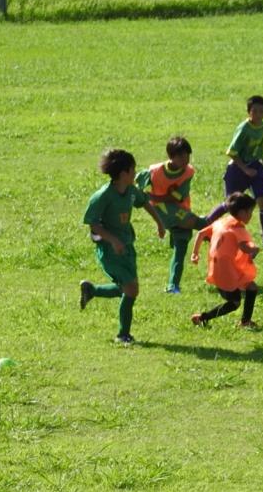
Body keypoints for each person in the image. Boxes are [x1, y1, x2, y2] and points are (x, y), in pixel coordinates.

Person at [80, 148, 166, 345]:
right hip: (110, 251)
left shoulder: (130, 191)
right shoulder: (103, 196)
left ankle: (92, 291)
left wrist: (159, 223)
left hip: (127, 247)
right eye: (133, 169)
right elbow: (93, 224)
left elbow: (145, 202)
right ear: (123, 174)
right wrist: (113, 240)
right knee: (131, 289)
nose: (135, 172)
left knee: (127, 289)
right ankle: (123, 335)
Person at [136, 136, 228, 295]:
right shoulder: (154, 171)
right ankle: (227, 207)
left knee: (180, 248)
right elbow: (141, 187)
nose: (185, 160)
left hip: (180, 209)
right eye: (181, 156)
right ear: (171, 156)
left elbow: (177, 196)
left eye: (187, 156)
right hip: (164, 212)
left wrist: (155, 198)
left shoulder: (188, 172)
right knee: (203, 223)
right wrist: (150, 196)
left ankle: (173, 285)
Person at [190, 192, 260, 329]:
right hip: (226, 270)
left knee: (252, 288)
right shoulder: (237, 228)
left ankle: (245, 321)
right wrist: (254, 248)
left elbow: (201, 233)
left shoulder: (221, 222)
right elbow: (245, 247)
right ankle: (202, 317)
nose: (251, 215)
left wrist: (194, 253)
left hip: (221, 267)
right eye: (250, 212)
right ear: (241, 212)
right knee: (234, 303)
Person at [223, 95, 263, 249]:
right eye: (254, 110)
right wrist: (245, 169)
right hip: (237, 168)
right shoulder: (244, 129)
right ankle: (213, 229)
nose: (257, 114)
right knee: (231, 206)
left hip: (254, 167)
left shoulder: (262, 127)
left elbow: (259, 144)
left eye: (261, 111)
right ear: (249, 112)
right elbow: (232, 152)